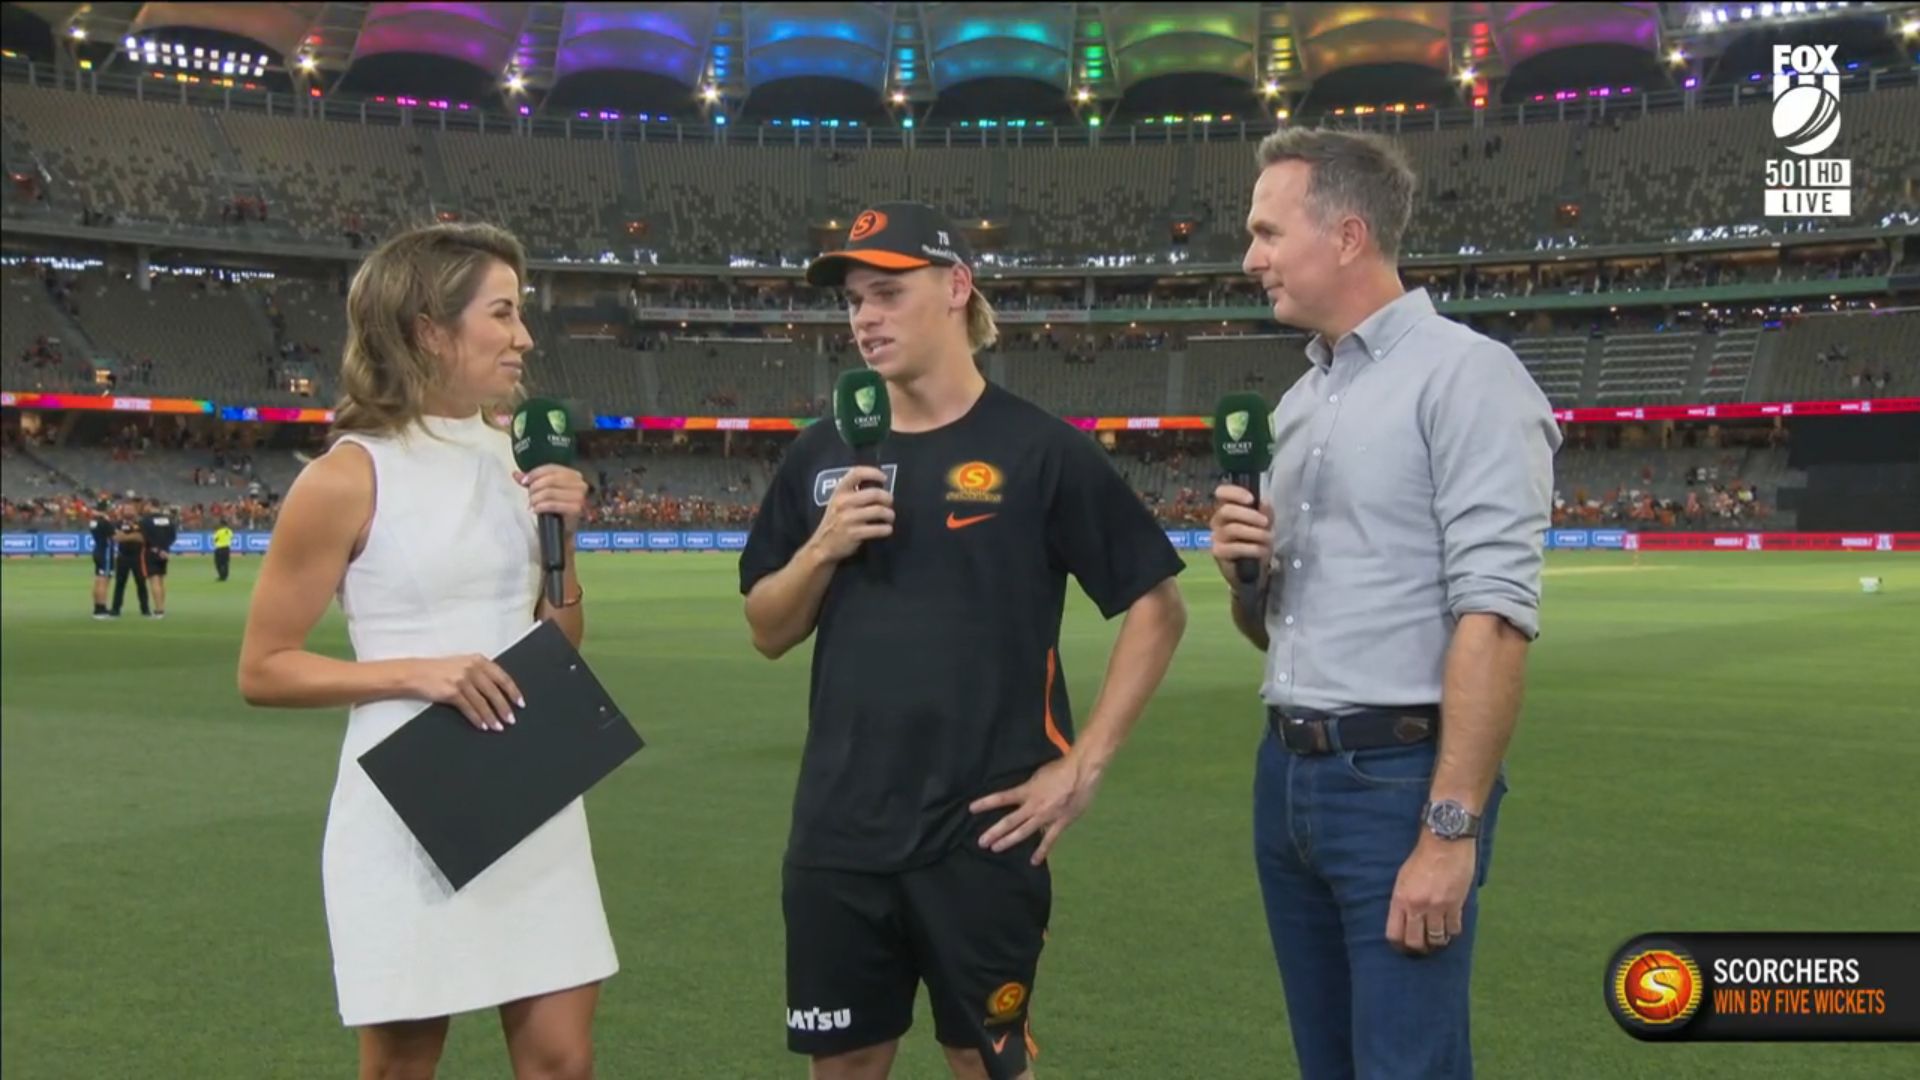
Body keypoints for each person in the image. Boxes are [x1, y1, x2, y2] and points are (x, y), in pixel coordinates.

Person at [740, 202, 1189, 1080]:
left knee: (986, 1063)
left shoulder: (1040, 450)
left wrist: (1084, 765)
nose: (865, 318)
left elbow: (1158, 605)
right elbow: (767, 629)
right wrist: (822, 550)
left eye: (887, 294)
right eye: (853, 301)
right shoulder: (821, 455)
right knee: (844, 1066)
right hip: (839, 828)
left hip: (983, 832)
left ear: (955, 287)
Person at [1208, 129, 1560, 1078]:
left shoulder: (1468, 376)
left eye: (1268, 232)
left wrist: (1451, 829)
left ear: (1348, 235)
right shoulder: (1297, 404)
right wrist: (1246, 579)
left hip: (1399, 783)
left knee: (1407, 1065)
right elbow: (1276, 632)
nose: (1250, 258)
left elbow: (1496, 617)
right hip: (1287, 774)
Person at [236, 223, 615, 1080]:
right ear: (428, 330)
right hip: (406, 799)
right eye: (503, 313)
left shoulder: (522, 459)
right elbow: (263, 667)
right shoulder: (347, 476)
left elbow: (558, 645)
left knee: (563, 1060)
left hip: (530, 783)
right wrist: (421, 673)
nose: (525, 337)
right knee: (400, 1067)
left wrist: (564, 540)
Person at [108, 502, 150, 618]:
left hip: (138, 557)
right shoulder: (118, 523)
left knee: (141, 583)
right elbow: (116, 537)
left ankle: (145, 609)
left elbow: (142, 538)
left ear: (135, 511)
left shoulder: (141, 523)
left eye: (131, 509)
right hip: (122, 557)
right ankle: (116, 609)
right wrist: (133, 536)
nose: (128, 511)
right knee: (119, 584)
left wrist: (125, 537)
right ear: (123, 511)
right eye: (126, 509)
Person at [139, 499, 177, 617]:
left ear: (150, 505)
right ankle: (162, 607)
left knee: (154, 580)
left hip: (151, 552)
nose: (144, 508)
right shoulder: (168, 519)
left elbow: (145, 537)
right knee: (161, 580)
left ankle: (158, 610)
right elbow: (173, 536)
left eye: (146, 505)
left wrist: (157, 549)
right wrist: (164, 549)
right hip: (164, 553)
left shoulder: (145, 520)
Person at [89, 500, 117, 618]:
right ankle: (101, 608)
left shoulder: (94, 521)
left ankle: (98, 606)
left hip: (98, 550)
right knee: (104, 581)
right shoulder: (105, 521)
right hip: (106, 552)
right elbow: (115, 537)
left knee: (99, 579)